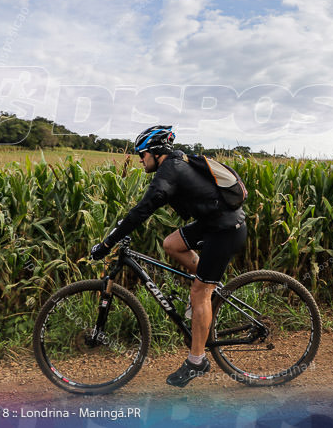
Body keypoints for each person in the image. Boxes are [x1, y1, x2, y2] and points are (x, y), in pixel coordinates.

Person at [89, 125, 247, 387]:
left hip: (227, 230)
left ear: (155, 152)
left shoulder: (169, 172)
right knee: (171, 244)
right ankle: (207, 293)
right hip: (214, 223)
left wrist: (107, 243)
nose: (140, 160)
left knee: (199, 293)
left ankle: (197, 361)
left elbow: (141, 211)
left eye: (142, 154)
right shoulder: (175, 163)